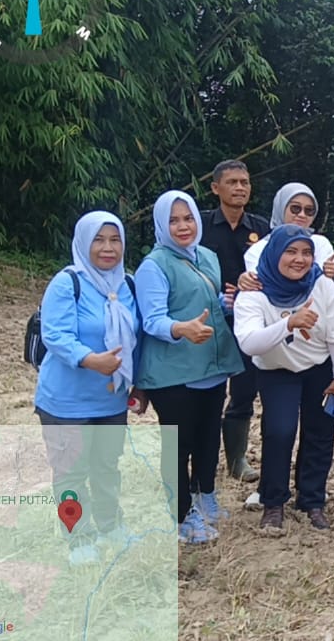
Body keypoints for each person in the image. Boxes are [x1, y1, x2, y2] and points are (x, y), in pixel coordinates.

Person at [34, 211, 143, 565]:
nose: (108, 248)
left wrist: (135, 383)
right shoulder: (68, 283)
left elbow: (136, 339)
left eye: (115, 240)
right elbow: (55, 335)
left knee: (107, 466)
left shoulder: (126, 284)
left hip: (110, 399)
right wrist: (89, 359)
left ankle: (110, 524)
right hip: (66, 401)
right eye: (99, 240)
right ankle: (78, 537)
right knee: (71, 472)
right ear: (83, 242)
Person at [135, 191, 244, 544]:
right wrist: (181, 328)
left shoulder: (207, 256)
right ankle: (180, 515)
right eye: (174, 220)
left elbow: (211, 305)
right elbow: (151, 320)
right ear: (161, 225)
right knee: (179, 446)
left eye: (189, 218)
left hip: (211, 367)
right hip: (174, 373)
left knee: (209, 439)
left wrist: (227, 304)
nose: (183, 226)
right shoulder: (155, 265)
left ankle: (205, 496)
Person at [233, 225, 334, 534]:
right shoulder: (254, 292)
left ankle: (312, 500)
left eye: (306, 253)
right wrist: (289, 324)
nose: (299, 260)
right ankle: (273, 502)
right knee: (279, 431)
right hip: (276, 371)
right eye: (291, 252)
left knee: (320, 431)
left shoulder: (322, 286)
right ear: (274, 255)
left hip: (319, 369)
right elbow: (249, 343)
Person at [199, 159, 270, 487]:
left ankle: (236, 459)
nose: (240, 188)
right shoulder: (199, 226)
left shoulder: (261, 227)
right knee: (208, 391)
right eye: (232, 182)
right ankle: (203, 455)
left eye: (244, 182)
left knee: (244, 389)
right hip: (207, 318)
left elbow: (272, 270)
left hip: (248, 319)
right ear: (216, 188)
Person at [242, 183, 334, 283]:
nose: (302, 215)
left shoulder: (320, 244)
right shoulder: (259, 250)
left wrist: (330, 275)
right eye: (295, 208)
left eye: (309, 210)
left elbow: (328, 288)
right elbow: (259, 286)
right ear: (281, 208)